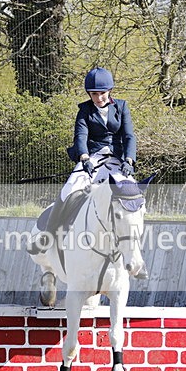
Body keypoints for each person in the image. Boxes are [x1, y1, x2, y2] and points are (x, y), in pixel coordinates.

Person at [29, 67, 138, 254]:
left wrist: (129, 160)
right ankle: (48, 235)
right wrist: (84, 157)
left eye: (102, 93)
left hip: (117, 160)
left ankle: (133, 237)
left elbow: (129, 136)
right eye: (94, 94)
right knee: (68, 189)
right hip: (92, 157)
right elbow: (81, 136)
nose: (99, 98)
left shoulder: (121, 107)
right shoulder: (85, 110)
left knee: (131, 191)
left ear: (109, 91)